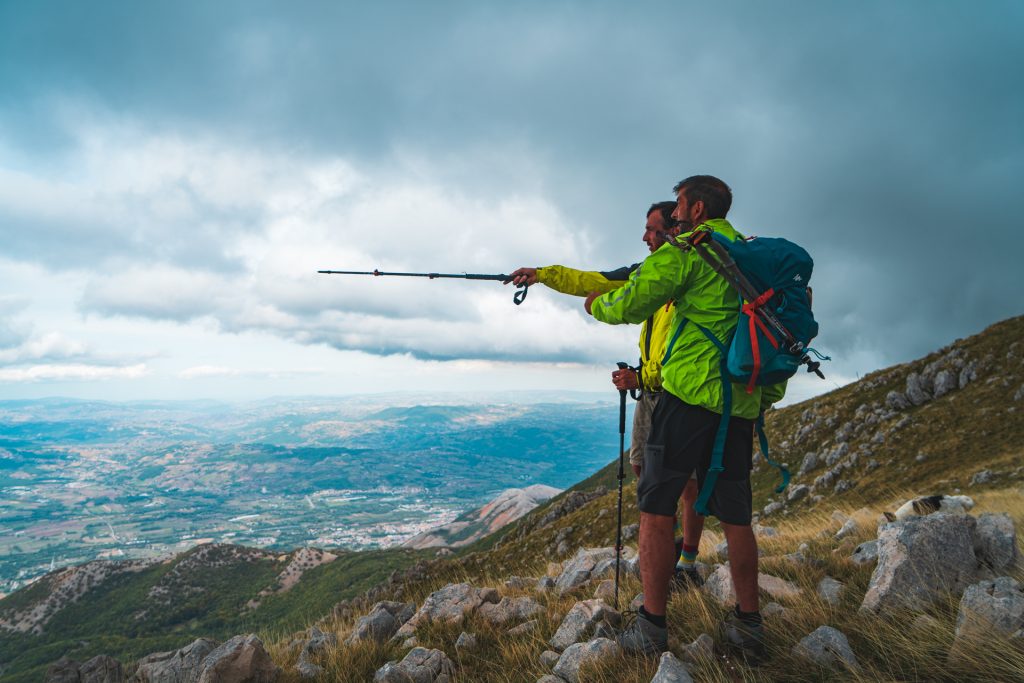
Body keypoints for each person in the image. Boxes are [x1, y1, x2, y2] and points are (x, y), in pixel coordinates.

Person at [584, 175, 786, 662]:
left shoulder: (692, 248)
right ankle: (749, 628)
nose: (674, 215)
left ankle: (652, 628)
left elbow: (634, 301)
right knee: (737, 515)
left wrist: (597, 305)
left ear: (696, 208)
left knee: (656, 507)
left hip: (689, 394)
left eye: (678, 205)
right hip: (739, 404)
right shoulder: (752, 253)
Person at [507, 203, 706, 588]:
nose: (645, 237)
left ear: (673, 229)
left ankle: (684, 561)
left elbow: (682, 351)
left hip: (674, 392)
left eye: (652, 229)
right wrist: (542, 275)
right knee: (642, 469)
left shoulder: (685, 274)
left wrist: (640, 376)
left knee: (683, 484)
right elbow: (591, 278)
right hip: (648, 389)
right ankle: (671, 550)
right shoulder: (646, 273)